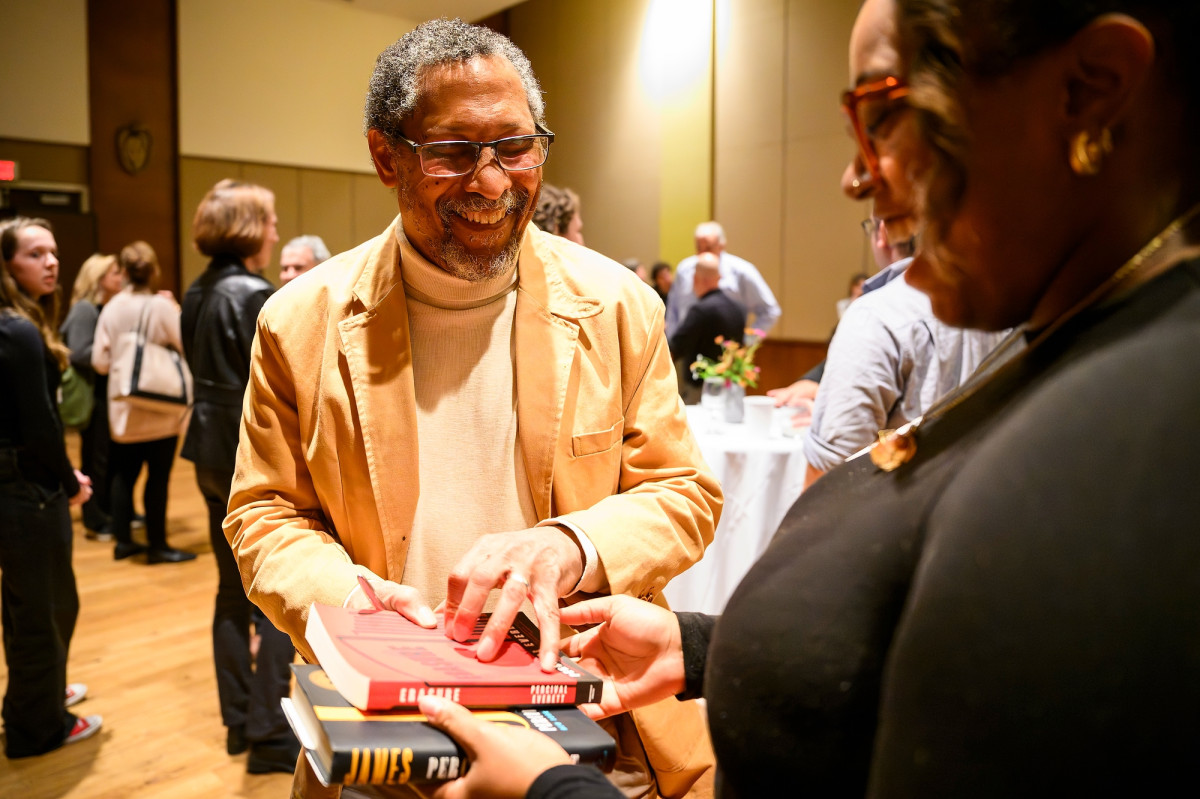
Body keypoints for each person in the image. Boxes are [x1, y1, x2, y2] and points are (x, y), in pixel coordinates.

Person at [405, 0, 1200, 795]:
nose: (855, 175)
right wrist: (701, 647)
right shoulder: (1087, 328)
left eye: (883, 115)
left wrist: (551, 790)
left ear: (1092, 89)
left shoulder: (1148, 443)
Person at [224, 18, 720, 799]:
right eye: (454, 153)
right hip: (387, 739)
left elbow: (682, 493)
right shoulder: (301, 320)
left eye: (516, 148)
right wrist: (352, 604)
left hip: (591, 730)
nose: (493, 182)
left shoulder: (619, 306)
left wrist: (572, 544)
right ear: (386, 156)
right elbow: (262, 514)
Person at [179, 179, 298, 774]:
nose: (275, 231)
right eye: (270, 219)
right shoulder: (254, 294)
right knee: (278, 593)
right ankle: (270, 730)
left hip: (204, 452)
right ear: (250, 226)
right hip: (245, 460)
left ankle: (236, 720)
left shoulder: (195, 292)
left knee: (230, 590)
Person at [800, 219, 1007, 487]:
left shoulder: (876, 316)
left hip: (891, 518)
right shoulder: (1000, 310)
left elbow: (830, 477)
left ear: (883, 231)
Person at [0, 217, 101, 757]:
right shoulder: (16, 329)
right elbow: (40, 426)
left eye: (53, 252)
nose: (51, 262)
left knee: (24, 608)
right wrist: (71, 484)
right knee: (48, 610)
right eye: (35, 254)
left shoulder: (17, 322)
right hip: (29, 491)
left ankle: (31, 698)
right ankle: (38, 728)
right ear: (7, 264)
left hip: (18, 485)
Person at [92, 241, 194, 564]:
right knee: (158, 477)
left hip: (123, 408)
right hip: (161, 405)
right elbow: (183, 344)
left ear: (123, 271)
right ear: (152, 271)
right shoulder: (161, 306)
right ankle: (158, 544)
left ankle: (123, 542)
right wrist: (175, 309)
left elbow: (100, 362)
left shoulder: (111, 308)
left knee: (124, 474)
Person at [60, 252, 124, 540]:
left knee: (109, 456)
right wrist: (114, 354)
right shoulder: (85, 310)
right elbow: (79, 351)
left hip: (104, 394)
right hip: (92, 395)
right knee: (95, 458)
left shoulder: (105, 306)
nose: (120, 278)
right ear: (99, 278)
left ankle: (110, 511)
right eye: (114, 273)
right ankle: (94, 519)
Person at [665, 221, 780, 336]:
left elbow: (770, 311)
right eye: (699, 248)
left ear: (721, 246)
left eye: (708, 248)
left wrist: (747, 341)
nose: (703, 254)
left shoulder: (742, 271)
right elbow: (672, 310)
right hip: (685, 348)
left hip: (724, 349)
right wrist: (671, 346)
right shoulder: (684, 269)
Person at [667, 252, 746, 403]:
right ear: (719, 277)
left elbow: (676, 348)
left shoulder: (700, 311)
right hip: (732, 387)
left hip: (702, 392)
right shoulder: (738, 308)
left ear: (696, 279)